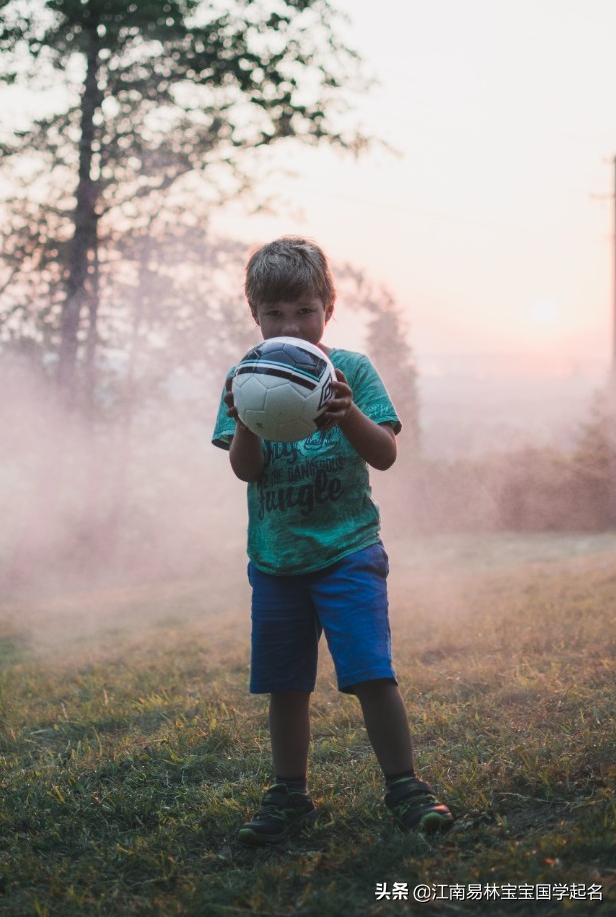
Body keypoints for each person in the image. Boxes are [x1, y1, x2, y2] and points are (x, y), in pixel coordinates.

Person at [212, 235, 453, 846]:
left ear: (328, 307)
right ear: (254, 316)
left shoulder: (353, 370)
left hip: (349, 550)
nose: (290, 323)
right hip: (276, 559)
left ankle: (405, 785)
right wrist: (243, 419)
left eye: (304, 310)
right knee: (285, 685)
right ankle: (289, 794)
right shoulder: (245, 376)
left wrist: (347, 413)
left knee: (372, 673)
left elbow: (387, 454)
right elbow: (246, 470)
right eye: (275, 313)